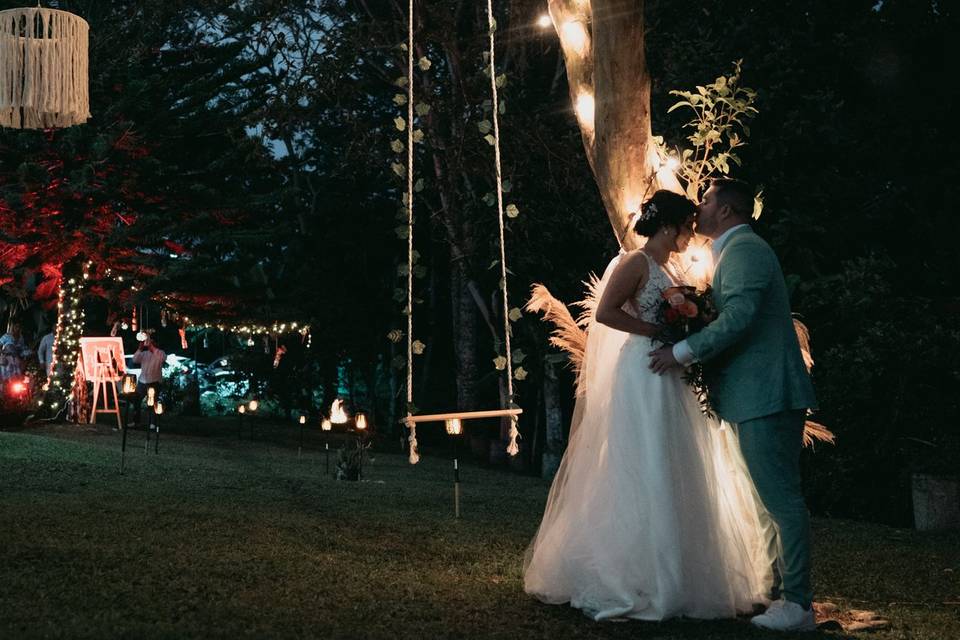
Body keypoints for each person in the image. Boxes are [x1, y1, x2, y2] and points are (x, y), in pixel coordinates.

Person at [524, 190, 771, 621]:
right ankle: (635, 574)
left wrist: (685, 330)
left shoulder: (669, 266)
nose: (691, 235)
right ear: (669, 226)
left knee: (676, 461)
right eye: (687, 227)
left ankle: (680, 571)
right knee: (642, 459)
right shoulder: (634, 262)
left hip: (667, 370)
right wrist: (655, 329)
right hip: (641, 370)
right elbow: (605, 312)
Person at [649, 179, 818, 632]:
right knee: (766, 501)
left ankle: (798, 604)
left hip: (767, 393)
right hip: (752, 394)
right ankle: (776, 594)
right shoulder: (733, 250)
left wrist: (681, 352)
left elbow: (740, 319)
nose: (698, 206)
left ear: (725, 211)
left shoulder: (744, 249)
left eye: (705, 200)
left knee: (781, 500)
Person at [131, 334, 166, 427]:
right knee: (136, 400)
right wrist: (140, 349)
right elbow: (135, 359)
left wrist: (152, 347)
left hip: (154, 382)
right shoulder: (144, 354)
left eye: (152, 342)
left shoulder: (160, 353)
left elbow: (162, 358)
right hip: (142, 381)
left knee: (152, 402)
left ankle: (152, 423)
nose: (149, 344)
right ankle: (136, 421)